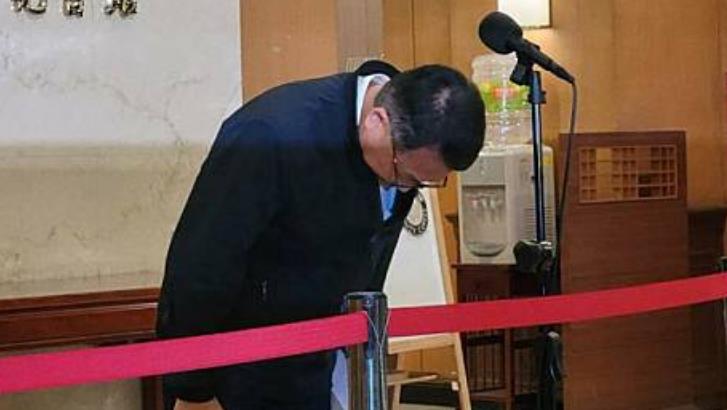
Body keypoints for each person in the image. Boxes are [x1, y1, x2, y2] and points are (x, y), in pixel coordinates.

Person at [156, 60, 485, 410]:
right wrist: (193, 390)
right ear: (377, 122)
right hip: (236, 366)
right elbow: (201, 264)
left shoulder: (402, 147)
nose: (405, 188)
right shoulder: (271, 134)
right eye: (405, 176)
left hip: (315, 363)